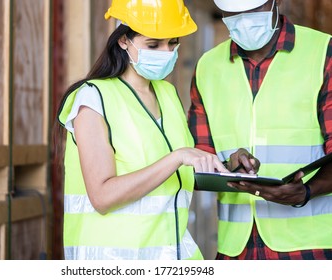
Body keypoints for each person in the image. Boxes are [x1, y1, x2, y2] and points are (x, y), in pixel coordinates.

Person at [56, 0, 230, 260]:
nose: (166, 51)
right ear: (124, 40)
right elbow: (102, 196)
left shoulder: (168, 94)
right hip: (114, 260)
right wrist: (177, 157)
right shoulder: (92, 99)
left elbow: (176, 177)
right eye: (153, 44)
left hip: (173, 255)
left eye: (172, 43)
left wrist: (229, 168)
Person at [188, 0, 332, 259]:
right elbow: (196, 169)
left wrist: (308, 190)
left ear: (276, 3)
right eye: (233, 12)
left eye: (254, 10)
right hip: (236, 250)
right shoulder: (207, 67)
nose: (244, 19)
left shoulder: (324, 52)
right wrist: (228, 166)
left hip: (311, 248)